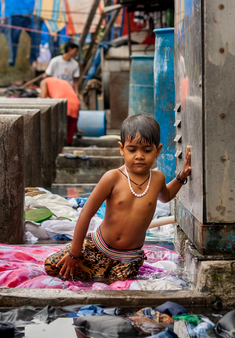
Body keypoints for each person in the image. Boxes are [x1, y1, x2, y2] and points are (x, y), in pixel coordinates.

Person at [44, 114, 191, 282]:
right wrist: (74, 253)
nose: (139, 156)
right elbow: (86, 214)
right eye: (132, 149)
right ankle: (94, 271)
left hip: (128, 258)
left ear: (157, 150)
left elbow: (166, 197)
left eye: (147, 150)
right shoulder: (112, 178)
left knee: (117, 285)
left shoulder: (157, 179)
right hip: (98, 248)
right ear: (122, 148)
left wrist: (181, 177)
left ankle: (102, 275)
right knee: (53, 266)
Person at [40, 76, 80, 145]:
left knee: (58, 139)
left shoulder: (44, 81)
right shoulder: (63, 82)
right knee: (68, 139)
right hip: (76, 104)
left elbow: (43, 99)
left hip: (62, 105)